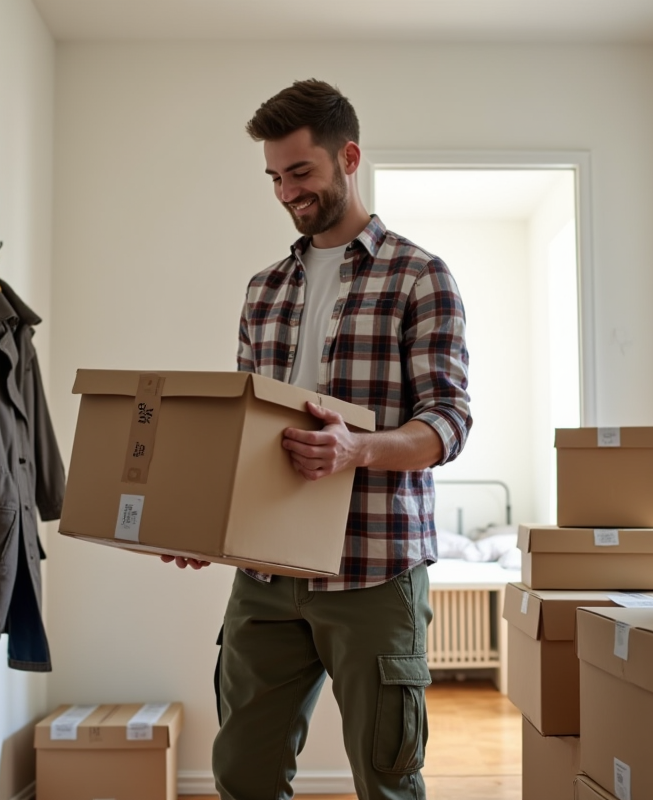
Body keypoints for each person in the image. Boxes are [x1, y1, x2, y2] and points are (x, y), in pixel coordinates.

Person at [162, 78, 471, 800]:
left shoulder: (421, 277)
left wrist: (357, 449)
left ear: (348, 157)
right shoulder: (263, 289)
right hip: (264, 576)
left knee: (388, 780)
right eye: (274, 177)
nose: (286, 192)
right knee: (243, 774)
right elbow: (244, 432)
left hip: (374, 570)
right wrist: (205, 524)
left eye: (300, 172)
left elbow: (448, 422)